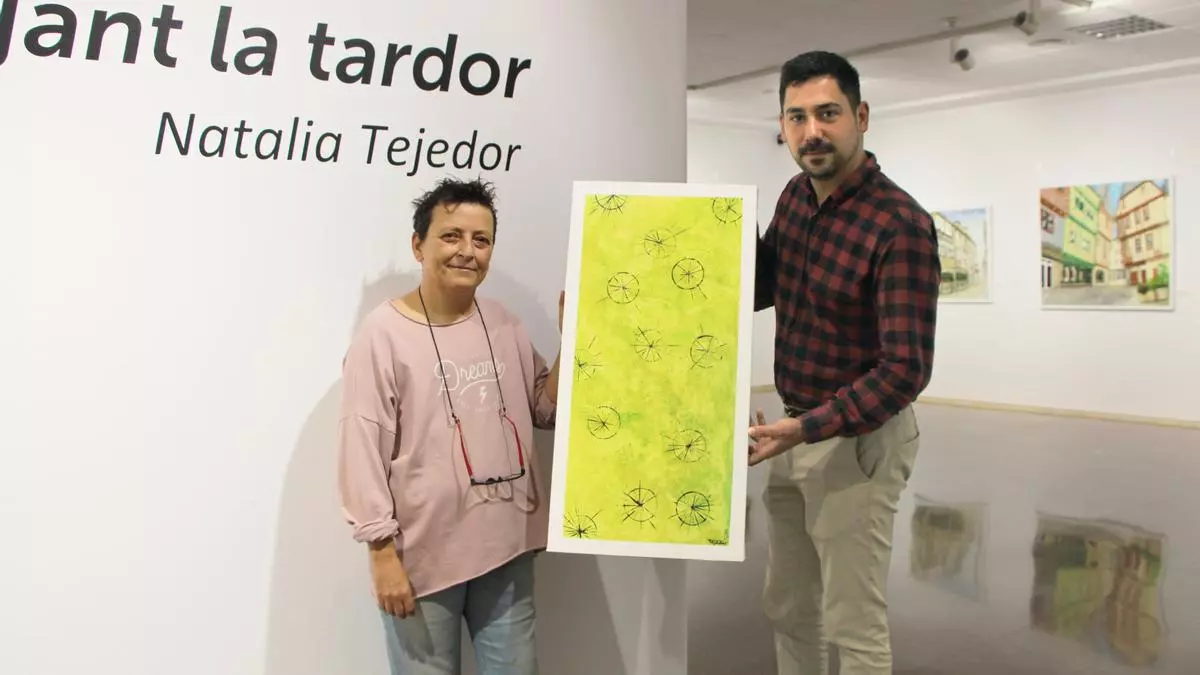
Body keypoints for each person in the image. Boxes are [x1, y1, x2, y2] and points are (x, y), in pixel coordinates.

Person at [746, 51, 941, 675]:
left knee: (853, 623)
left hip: (857, 443)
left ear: (861, 117)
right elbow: (761, 287)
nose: (812, 131)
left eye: (827, 113)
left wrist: (805, 428)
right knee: (788, 606)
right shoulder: (795, 198)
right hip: (790, 431)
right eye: (796, 117)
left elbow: (904, 370)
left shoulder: (899, 225)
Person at [336, 176, 562, 675]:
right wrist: (381, 553)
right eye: (451, 236)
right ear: (419, 245)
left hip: (508, 548)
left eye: (481, 240)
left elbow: (544, 410)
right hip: (422, 559)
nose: (467, 251)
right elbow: (361, 445)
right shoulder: (382, 334)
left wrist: (576, 341)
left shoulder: (504, 322)